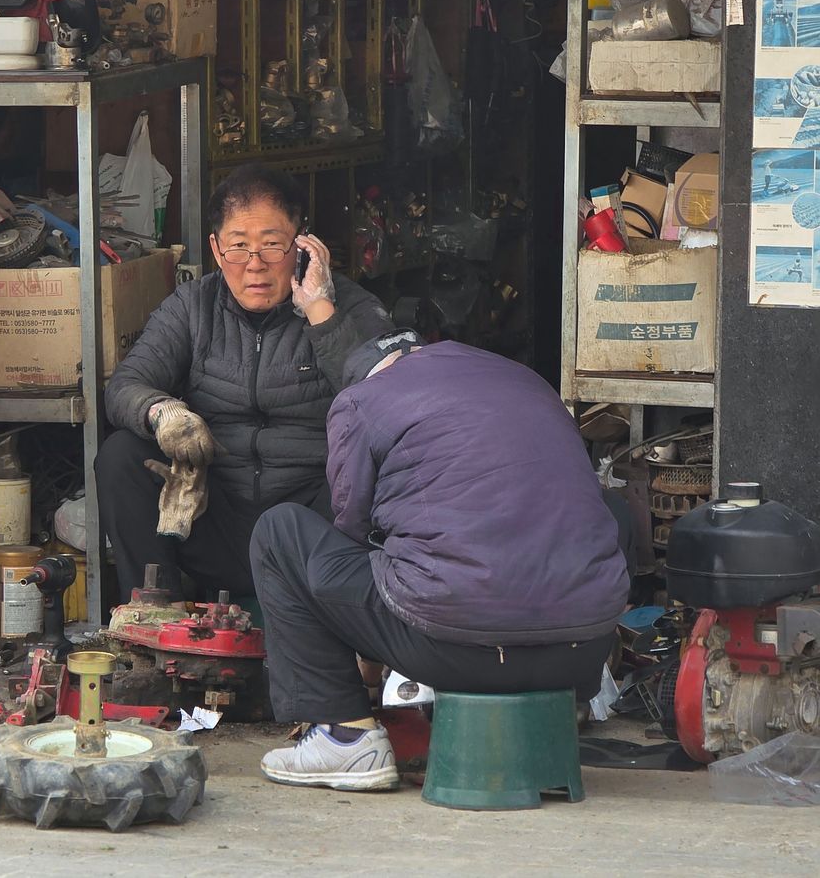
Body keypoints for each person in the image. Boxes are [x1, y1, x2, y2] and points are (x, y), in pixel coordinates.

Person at [252, 334, 629, 791]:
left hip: (456, 649)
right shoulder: (529, 382)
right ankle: (562, 713)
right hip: (581, 657)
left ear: (372, 375)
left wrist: (366, 655)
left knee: (280, 532)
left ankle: (344, 737)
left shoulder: (364, 400)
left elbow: (352, 527)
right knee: (596, 513)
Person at [97, 164, 391, 603]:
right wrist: (162, 413)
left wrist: (320, 311)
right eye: (238, 247)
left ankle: (346, 619)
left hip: (313, 530)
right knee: (121, 454)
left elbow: (386, 400)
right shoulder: (193, 306)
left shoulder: (349, 306)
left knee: (375, 462)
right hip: (212, 518)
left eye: (272, 245)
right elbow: (126, 384)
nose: (255, 265)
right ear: (216, 250)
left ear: (303, 243)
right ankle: (154, 612)